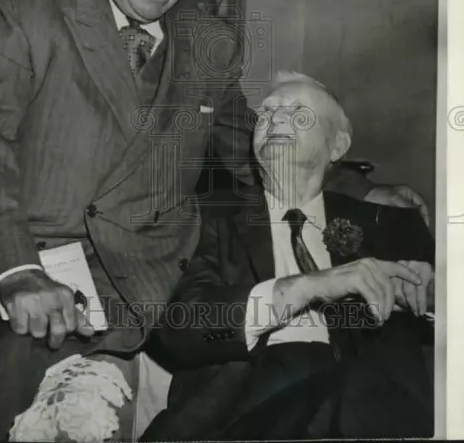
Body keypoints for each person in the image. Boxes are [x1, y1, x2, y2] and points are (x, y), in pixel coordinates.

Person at [0, 0, 427, 442]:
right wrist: (15, 270)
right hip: (29, 280)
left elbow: (247, 146)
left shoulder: (207, 41)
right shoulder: (22, 4)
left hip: (145, 289)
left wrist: (359, 185)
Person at [143, 71, 434, 442]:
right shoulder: (202, 216)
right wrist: (305, 288)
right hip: (245, 406)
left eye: (298, 114)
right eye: (266, 114)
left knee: (370, 387)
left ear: (337, 146)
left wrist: (431, 294)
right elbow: (178, 327)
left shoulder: (392, 224)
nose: (276, 119)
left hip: (368, 400)